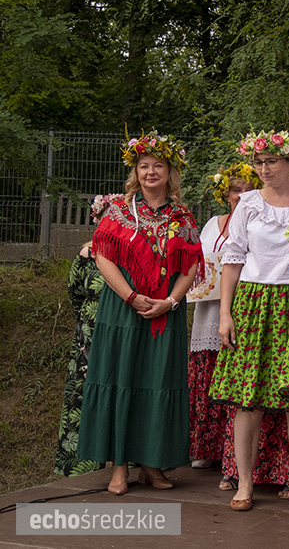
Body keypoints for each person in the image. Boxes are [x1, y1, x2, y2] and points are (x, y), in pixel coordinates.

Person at [78, 130, 204, 495]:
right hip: (122, 311)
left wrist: (171, 302)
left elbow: (191, 265)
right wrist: (131, 296)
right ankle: (119, 465)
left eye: (158, 166)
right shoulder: (119, 209)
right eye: (144, 166)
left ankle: (151, 464)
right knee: (122, 380)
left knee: (159, 383)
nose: (151, 172)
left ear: (170, 172)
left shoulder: (182, 215)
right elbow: (103, 255)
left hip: (165, 313)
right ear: (136, 171)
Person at [208, 131, 289, 512]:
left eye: (272, 160)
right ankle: (245, 482)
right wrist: (225, 313)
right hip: (252, 301)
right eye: (259, 162)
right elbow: (233, 257)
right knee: (245, 400)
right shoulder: (249, 203)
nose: (265, 168)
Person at [188, 163, 260, 470]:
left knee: (235, 380)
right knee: (208, 376)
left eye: (247, 189)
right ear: (226, 194)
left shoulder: (258, 222)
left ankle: (235, 452)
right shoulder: (211, 225)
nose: (241, 195)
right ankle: (209, 447)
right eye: (235, 190)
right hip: (209, 309)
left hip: (242, 306)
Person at [55, 194, 123, 477]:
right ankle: (82, 464)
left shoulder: (133, 254)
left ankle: (124, 460)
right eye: (107, 218)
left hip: (121, 333)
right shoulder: (86, 255)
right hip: (90, 335)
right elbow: (74, 294)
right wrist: (87, 323)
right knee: (83, 396)